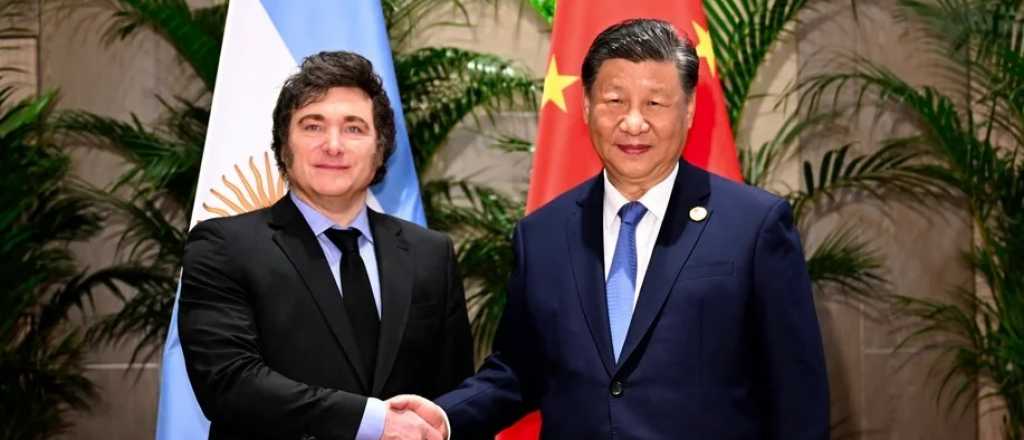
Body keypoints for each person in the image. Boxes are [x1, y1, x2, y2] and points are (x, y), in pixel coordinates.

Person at [392, 18, 829, 439]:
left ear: (689, 109)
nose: (633, 123)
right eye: (615, 101)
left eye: (655, 103)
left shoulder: (753, 226)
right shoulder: (542, 234)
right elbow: (518, 370)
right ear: (586, 106)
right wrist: (444, 418)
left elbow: (798, 395)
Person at [179, 51, 473, 440]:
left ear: (380, 148)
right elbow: (229, 382)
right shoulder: (223, 247)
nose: (333, 145)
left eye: (354, 128)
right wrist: (373, 422)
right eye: (313, 126)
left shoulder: (430, 253)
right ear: (284, 144)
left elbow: (451, 399)